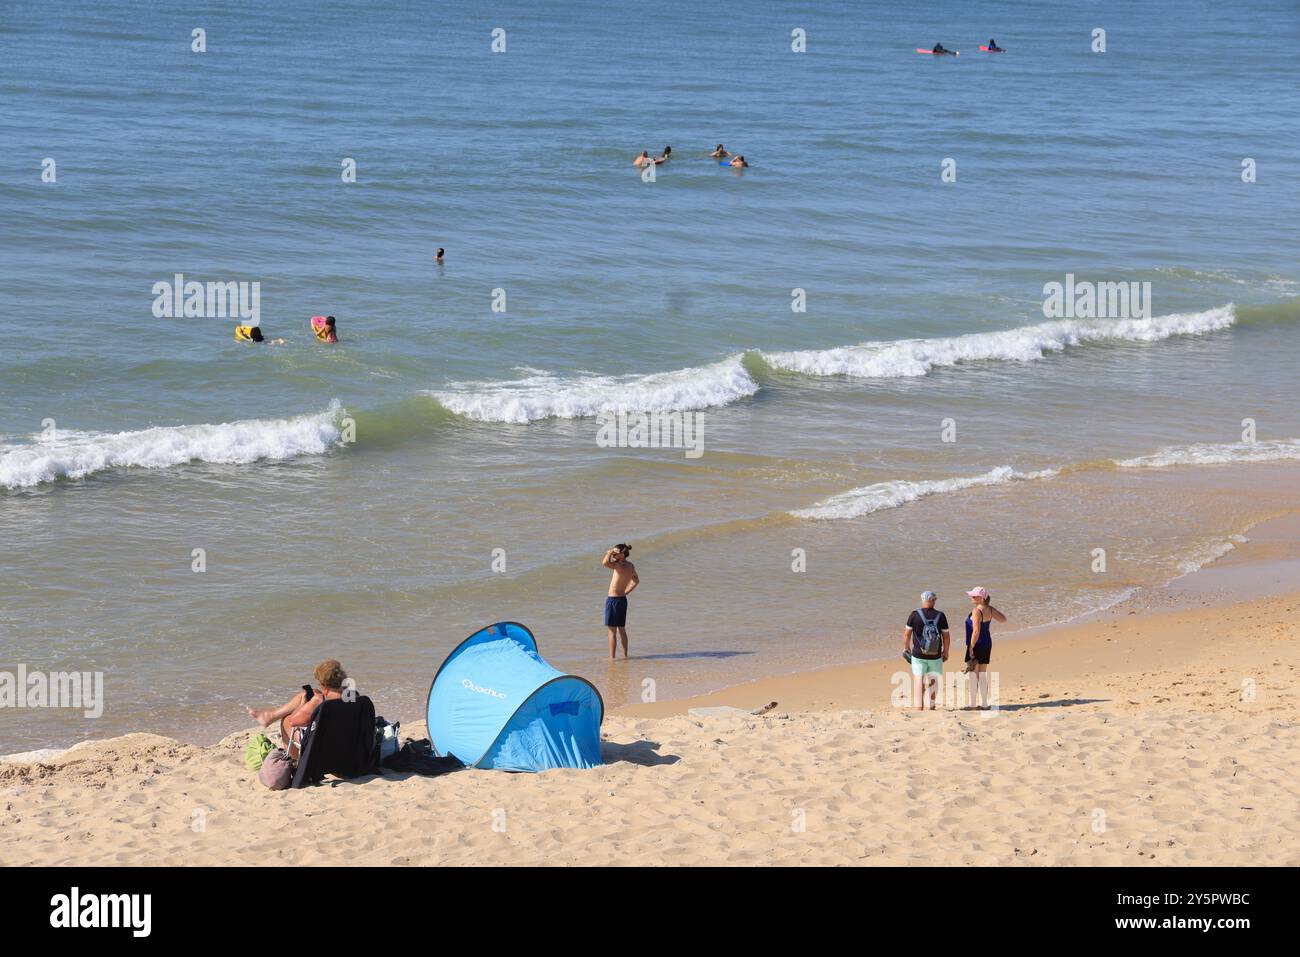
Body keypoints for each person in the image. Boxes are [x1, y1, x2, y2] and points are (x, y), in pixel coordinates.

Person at [248, 660, 350, 758]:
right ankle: (270, 716)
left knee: (286, 721)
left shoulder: (320, 700)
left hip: (323, 746)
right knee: (312, 692)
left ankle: (293, 760)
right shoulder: (354, 697)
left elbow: (294, 722)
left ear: (324, 685)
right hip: (345, 742)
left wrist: (303, 704)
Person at [904, 591, 950, 711]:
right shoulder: (941, 615)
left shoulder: (914, 615)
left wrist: (906, 648)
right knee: (933, 679)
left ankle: (919, 707)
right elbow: (946, 636)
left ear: (922, 600)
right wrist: (946, 651)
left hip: (918, 654)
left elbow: (907, 634)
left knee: (919, 678)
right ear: (934, 600)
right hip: (935, 654)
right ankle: (932, 706)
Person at [964, 587, 1006, 709]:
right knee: (982, 674)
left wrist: (971, 647)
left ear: (981, 598)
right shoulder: (990, 609)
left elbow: (976, 631)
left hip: (977, 644)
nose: (971, 598)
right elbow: (1003, 619)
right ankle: (984, 703)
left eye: (974, 596)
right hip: (987, 643)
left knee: (973, 674)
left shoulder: (976, 611)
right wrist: (991, 612)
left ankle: (972, 704)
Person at [602, 544, 639, 659]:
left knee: (612, 630)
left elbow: (604, 562)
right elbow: (636, 581)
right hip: (622, 599)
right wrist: (626, 592)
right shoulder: (630, 566)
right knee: (622, 629)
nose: (614, 554)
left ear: (622, 554)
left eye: (616, 552)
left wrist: (609, 552)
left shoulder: (618, 565)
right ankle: (625, 655)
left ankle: (612, 657)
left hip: (613, 600)